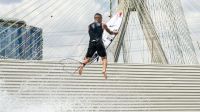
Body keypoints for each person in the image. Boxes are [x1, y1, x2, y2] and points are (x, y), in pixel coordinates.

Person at [78, 13, 118, 79]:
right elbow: (110, 32)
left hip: (91, 43)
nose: (102, 19)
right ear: (99, 18)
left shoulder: (89, 26)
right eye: (101, 18)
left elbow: (91, 34)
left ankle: (82, 65)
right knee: (104, 58)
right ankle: (104, 70)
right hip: (99, 43)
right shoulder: (103, 24)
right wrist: (115, 33)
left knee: (87, 58)